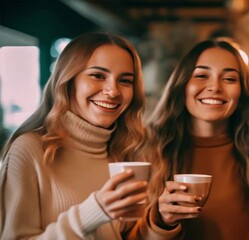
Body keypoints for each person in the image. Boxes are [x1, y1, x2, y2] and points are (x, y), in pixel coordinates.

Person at [0, 32, 149, 239]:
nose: (113, 91)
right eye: (98, 75)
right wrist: (92, 213)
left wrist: (162, 222)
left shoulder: (125, 150)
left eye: (125, 81)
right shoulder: (30, 148)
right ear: (68, 80)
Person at [128, 39, 249, 240]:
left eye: (229, 79)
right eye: (202, 75)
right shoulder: (145, 151)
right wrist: (161, 222)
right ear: (183, 84)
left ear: (243, 92)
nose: (215, 87)